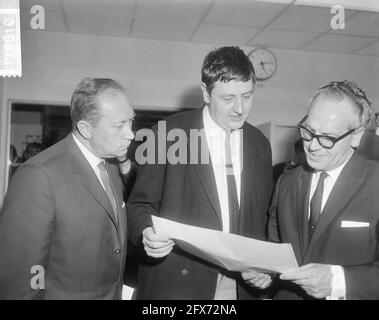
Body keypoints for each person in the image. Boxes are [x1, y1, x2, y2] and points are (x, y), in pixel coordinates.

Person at [127, 46, 273, 300]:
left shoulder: (260, 144)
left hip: (239, 285)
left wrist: (266, 266)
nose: (240, 108)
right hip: (178, 283)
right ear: (206, 93)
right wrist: (147, 233)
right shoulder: (167, 135)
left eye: (247, 96)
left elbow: (263, 219)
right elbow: (139, 206)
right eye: (228, 99)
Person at [0, 77, 135, 299]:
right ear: (85, 129)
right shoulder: (38, 176)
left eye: (131, 121)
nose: (131, 133)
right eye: (120, 125)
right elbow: (21, 282)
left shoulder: (109, 166)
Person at [267, 80, 379, 299]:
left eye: (327, 138)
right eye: (308, 131)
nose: (312, 145)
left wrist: (338, 281)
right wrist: (263, 274)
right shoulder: (286, 182)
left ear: (356, 136)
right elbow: (274, 250)